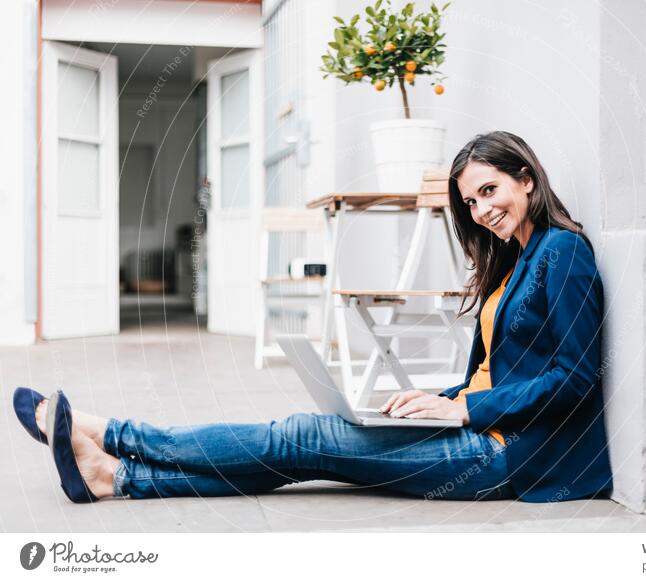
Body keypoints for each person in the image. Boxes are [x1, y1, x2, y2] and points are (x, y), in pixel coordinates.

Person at [13, 130, 612, 503]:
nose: (481, 210)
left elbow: (575, 380)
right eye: (471, 201)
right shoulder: (510, 266)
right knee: (299, 449)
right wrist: (434, 398)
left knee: (303, 438)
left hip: (507, 456)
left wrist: (462, 408)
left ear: (527, 180)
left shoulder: (563, 253)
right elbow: (502, 372)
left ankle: (113, 436)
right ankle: (114, 477)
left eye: (490, 190)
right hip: (474, 428)